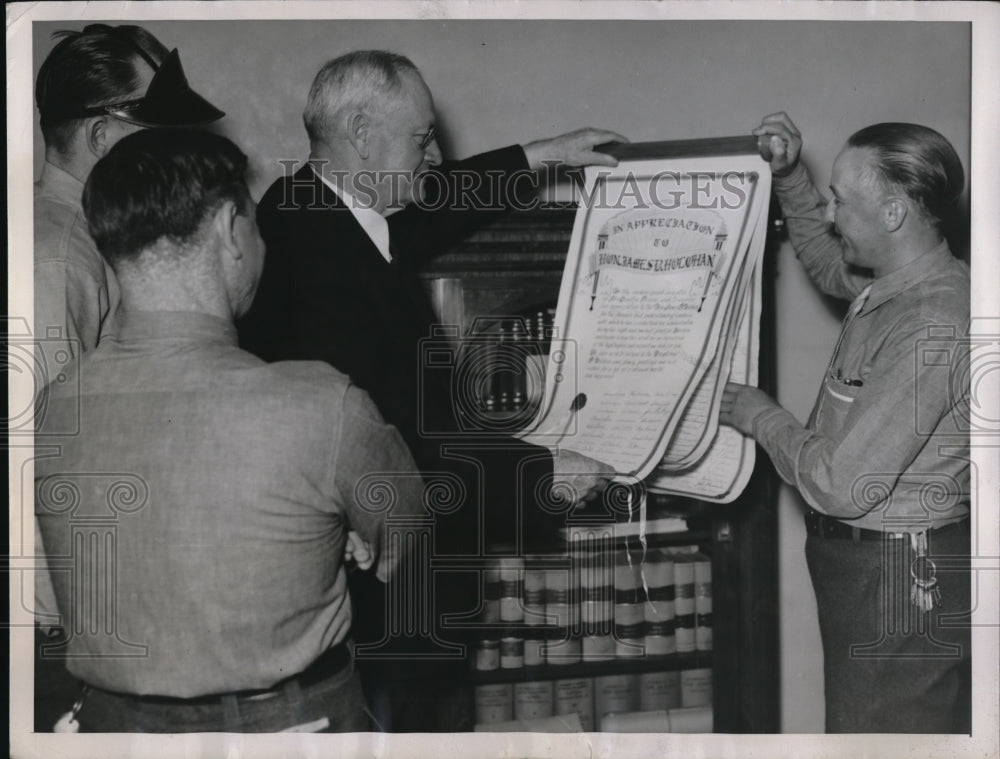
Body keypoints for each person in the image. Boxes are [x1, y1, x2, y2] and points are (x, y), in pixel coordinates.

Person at [238, 50, 619, 730]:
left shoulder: (309, 207)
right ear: (361, 133)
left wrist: (535, 156)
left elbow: (431, 206)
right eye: (421, 139)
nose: (436, 156)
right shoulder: (321, 268)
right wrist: (541, 473)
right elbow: (394, 444)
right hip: (384, 598)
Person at [34, 128, 425, 733]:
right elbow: (405, 539)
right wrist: (328, 543)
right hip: (288, 728)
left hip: (106, 729)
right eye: (256, 224)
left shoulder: (52, 411)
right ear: (228, 229)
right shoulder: (321, 405)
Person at [721, 112, 970, 732]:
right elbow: (826, 259)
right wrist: (790, 176)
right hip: (867, 571)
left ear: (893, 214)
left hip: (896, 577)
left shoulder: (932, 322)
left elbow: (842, 484)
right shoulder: (897, 280)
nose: (831, 216)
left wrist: (763, 417)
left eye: (841, 201)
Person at [31, 22, 225, 731]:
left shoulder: (86, 239)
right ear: (102, 136)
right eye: (157, 130)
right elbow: (46, 453)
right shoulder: (56, 256)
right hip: (64, 629)